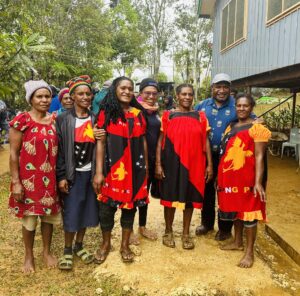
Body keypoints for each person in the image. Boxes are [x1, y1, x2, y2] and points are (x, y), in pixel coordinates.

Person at [93, 76, 148, 264]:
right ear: (115, 90)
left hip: (135, 170)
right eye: (122, 88)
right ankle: (106, 244)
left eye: (130, 88)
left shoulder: (138, 114)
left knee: (129, 209)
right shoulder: (105, 113)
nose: (126, 91)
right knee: (106, 209)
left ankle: (124, 245)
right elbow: (100, 144)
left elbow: (143, 143)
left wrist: (146, 169)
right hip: (111, 168)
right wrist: (99, 172)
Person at [9, 80, 61, 273]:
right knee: (30, 219)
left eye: (47, 96)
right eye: (39, 96)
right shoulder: (22, 120)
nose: (44, 100)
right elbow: (14, 153)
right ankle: (29, 255)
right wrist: (16, 182)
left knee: (49, 218)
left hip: (51, 178)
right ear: (31, 99)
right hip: (29, 180)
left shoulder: (55, 120)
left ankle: (46, 252)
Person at [155, 84, 213, 249]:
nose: (187, 97)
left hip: (194, 164)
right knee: (170, 198)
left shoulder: (200, 116)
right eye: (184, 94)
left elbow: (206, 141)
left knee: (190, 198)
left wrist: (210, 165)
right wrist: (158, 164)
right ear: (177, 96)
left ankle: (186, 233)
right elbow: (160, 140)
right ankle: (168, 231)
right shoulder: (168, 116)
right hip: (171, 162)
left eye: (190, 94)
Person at [217, 93, 271, 268]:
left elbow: (259, 155)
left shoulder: (257, 128)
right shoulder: (231, 126)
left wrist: (258, 182)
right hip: (230, 176)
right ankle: (237, 241)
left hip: (248, 178)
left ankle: (249, 252)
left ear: (251, 107)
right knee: (235, 210)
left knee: (249, 212)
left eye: (245, 106)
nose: (241, 108)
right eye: (238, 105)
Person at [56, 75, 99, 270]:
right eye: (80, 94)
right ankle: (67, 249)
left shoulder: (95, 118)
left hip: (89, 173)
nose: (85, 97)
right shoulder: (63, 118)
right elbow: (59, 150)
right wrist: (62, 175)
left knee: (87, 210)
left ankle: (79, 245)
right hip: (72, 174)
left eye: (87, 93)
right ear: (72, 96)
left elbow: (101, 147)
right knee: (72, 211)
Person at [194, 73, 236, 241]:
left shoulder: (237, 106)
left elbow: (250, 121)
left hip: (229, 157)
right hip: (205, 156)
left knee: (226, 192)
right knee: (207, 190)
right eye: (218, 87)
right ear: (212, 88)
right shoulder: (202, 106)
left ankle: (225, 229)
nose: (221, 90)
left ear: (230, 89)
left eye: (225, 87)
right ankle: (207, 223)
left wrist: (257, 122)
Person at [129, 78, 161, 245]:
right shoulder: (134, 110)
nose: (150, 96)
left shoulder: (156, 112)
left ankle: (142, 226)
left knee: (144, 195)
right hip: (136, 159)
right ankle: (129, 230)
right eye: (147, 93)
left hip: (152, 158)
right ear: (140, 93)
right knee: (134, 195)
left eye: (154, 93)